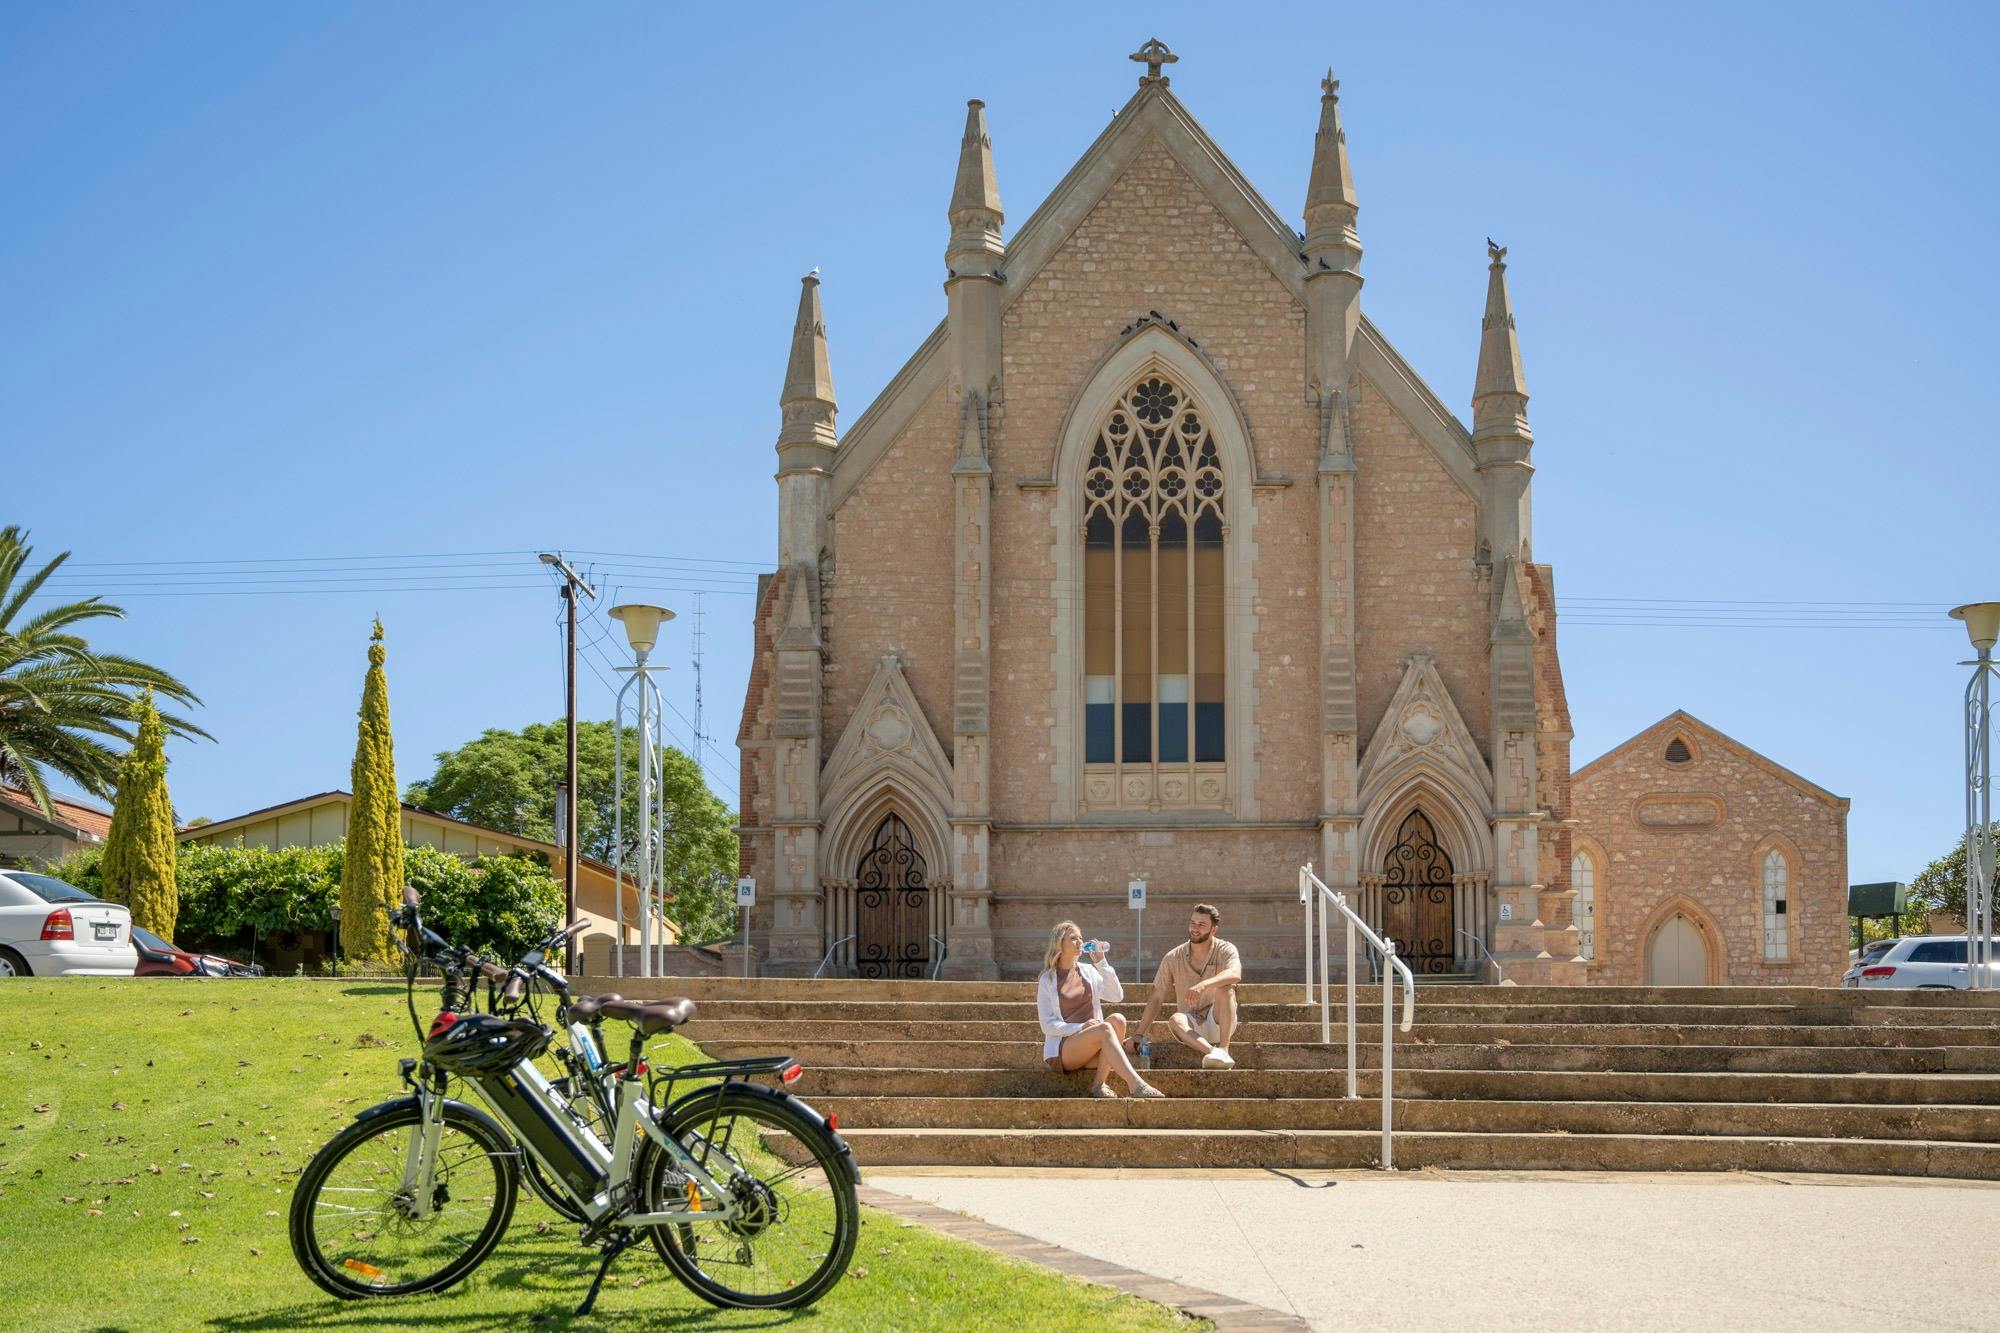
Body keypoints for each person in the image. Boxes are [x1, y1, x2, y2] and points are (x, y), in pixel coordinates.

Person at [1035, 920, 1164, 1099]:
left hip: (1093, 1049)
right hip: (1064, 1051)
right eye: (1073, 938)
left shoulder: (1088, 971)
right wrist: (1081, 1027)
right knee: (1103, 1028)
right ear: (1059, 944)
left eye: (1081, 937)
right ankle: (1136, 1085)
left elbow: (1116, 996)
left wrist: (1102, 963)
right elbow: (1047, 1025)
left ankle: (1099, 1085)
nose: (1080, 941)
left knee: (1117, 1019)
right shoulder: (1047, 980)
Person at [1127, 903, 1242, 1069]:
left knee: (1226, 989)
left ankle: (1224, 1048)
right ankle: (1215, 1053)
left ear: (1214, 930)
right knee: (1175, 1018)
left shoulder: (1225, 949)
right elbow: (1157, 996)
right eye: (1192, 923)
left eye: (1202, 925)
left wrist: (1204, 984)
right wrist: (1139, 1033)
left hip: (1217, 1020)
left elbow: (1235, 973)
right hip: (1191, 1025)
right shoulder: (1173, 957)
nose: (1195, 928)